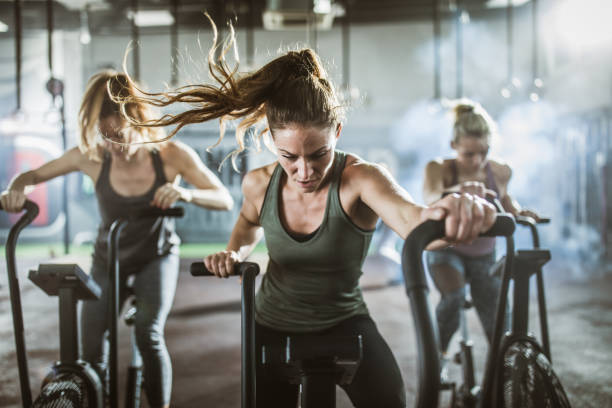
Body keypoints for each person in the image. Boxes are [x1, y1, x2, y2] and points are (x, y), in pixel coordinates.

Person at [113, 20, 497, 406]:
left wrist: (454, 209)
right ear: (270, 140)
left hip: (346, 320)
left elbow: (416, 222)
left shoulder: (361, 180)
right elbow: (248, 223)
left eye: (318, 154)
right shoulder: (258, 184)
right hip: (272, 324)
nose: (305, 171)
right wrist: (234, 252)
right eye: (289, 157)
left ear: (338, 133)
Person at [0, 70, 234, 408]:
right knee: (90, 347)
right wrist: (17, 188)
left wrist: (185, 193)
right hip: (109, 259)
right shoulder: (92, 156)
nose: (113, 146)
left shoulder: (170, 155)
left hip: (157, 257)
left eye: (120, 136)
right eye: (105, 136)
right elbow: (32, 175)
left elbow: (222, 197)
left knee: (148, 334)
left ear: (138, 120)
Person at [422, 99, 540, 380]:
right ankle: (435, 359)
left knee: (500, 320)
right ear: (453, 145)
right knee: (453, 297)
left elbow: (506, 200)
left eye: (483, 153)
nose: (477, 161)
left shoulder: (499, 171)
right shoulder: (438, 169)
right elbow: (429, 198)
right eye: (469, 154)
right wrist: (459, 191)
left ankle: (506, 375)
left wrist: (518, 211)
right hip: (447, 251)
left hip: (484, 256)